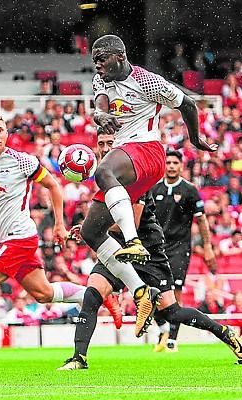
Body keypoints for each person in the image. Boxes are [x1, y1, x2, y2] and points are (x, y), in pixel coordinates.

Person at [0, 114, 121, 366]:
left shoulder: (23, 161)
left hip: (20, 238)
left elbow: (53, 186)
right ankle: (97, 294)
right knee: (44, 293)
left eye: (0, 130)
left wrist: (59, 224)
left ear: (7, 134)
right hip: (4, 239)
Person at [58, 130, 242, 370]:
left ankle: (226, 333)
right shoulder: (105, 177)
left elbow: (132, 224)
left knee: (172, 312)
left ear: (119, 145)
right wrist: (89, 227)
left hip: (147, 250)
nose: (104, 148)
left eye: (109, 143)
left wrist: (91, 228)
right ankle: (78, 358)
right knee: (92, 295)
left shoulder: (133, 175)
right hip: (116, 247)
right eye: (100, 143)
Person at [82, 35, 217, 338]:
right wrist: (100, 115)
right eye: (94, 60)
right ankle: (141, 290)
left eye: (101, 59)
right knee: (91, 231)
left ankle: (133, 240)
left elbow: (187, 103)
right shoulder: (102, 77)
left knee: (102, 171)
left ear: (120, 56)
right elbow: (101, 104)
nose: (97, 65)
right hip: (126, 159)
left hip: (148, 151)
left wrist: (195, 139)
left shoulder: (148, 81)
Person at [150, 150, 215, 352]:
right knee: (151, 293)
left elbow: (201, 220)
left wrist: (207, 246)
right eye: (168, 162)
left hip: (179, 249)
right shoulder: (154, 188)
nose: (171, 166)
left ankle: (172, 339)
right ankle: (163, 329)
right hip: (156, 248)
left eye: (175, 163)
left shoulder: (189, 190)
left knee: (175, 292)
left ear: (181, 166)